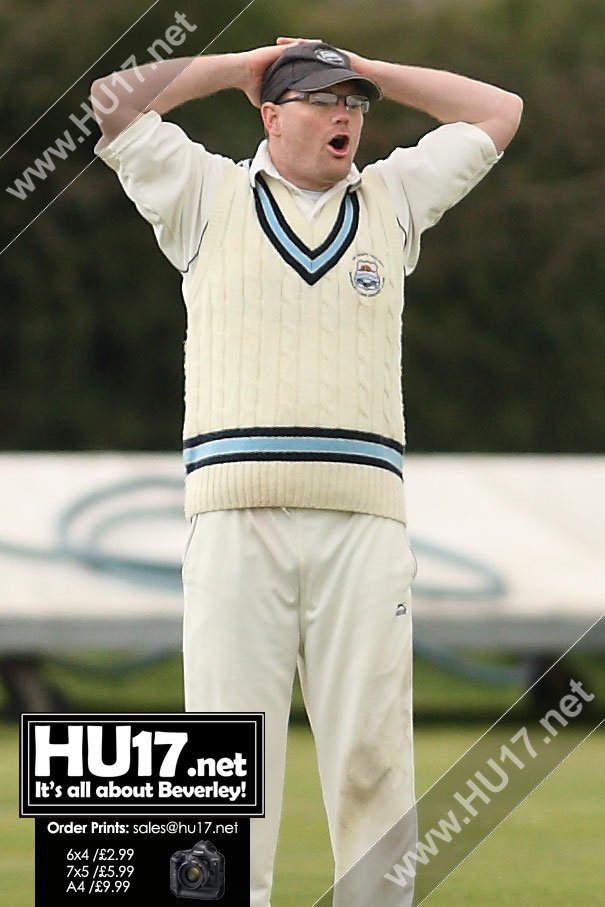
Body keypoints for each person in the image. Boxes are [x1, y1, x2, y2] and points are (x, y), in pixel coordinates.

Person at [90, 36, 522, 907]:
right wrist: (239, 63)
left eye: (356, 104)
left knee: (372, 758)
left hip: (361, 526)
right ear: (272, 113)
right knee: (221, 757)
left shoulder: (392, 198)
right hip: (234, 521)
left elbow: (497, 111)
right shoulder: (205, 194)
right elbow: (110, 102)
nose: (345, 117)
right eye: (324, 99)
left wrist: (373, 67)